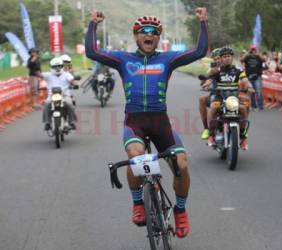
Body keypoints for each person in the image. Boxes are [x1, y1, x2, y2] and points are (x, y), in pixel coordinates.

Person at [85, 8, 208, 238]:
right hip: (135, 123)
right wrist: (93, 24)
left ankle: (180, 211)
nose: (149, 35)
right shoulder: (123, 59)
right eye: (143, 32)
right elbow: (92, 51)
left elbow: (200, 51)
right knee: (136, 155)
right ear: (136, 36)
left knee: (181, 165)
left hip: (160, 122)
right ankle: (138, 204)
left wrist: (203, 22)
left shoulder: (167, 59)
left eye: (154, 32)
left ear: (158, 37)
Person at [207, 47, 253, 150]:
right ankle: (211, 134)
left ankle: (243, 136)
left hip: (233, 99)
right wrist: (206, 84)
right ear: (221, 58)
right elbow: (209, 79)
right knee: (213, 108)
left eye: (229, 56)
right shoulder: (217, 70)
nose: (227, 58)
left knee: (243, 108)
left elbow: (245, 80)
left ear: (232, 57)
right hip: (220, 98)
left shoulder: (238, 70)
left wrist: (249, 86)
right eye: (224, 56)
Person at [40, 57, 77, 131]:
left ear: (62, 66)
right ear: (51, 67)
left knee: (69, 104)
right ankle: (47, 122)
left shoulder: (66, 74)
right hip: (52, 96)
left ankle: (72, 122)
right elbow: (38, 76)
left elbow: (72, 80)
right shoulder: (47, 75)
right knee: (46, 104)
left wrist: (75, 84)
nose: (57, 68)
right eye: (55, 66)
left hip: (65, 95)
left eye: (59, 66)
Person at [199, 48, 221, 140]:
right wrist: (205, 81)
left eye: (219, 58)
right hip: (216, 94)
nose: (217, 60)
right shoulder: (213, 69)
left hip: (230, 95)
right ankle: (207, 129)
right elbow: (205, 81)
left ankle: (242, 131)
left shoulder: (232, 68)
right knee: (202, 99)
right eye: (215, 59)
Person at [240, 44, 266, 111]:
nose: (253, 51)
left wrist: (258, 53)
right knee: (251, 92)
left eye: (254, 49)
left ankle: (260, 106)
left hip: (257, 77)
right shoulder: (247, 56)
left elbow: (264, 60)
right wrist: (248, 53)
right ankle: (253, 106)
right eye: (252, 49)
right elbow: (241, 60)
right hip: (249, 76)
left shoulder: (258, 56)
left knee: (258, 92)